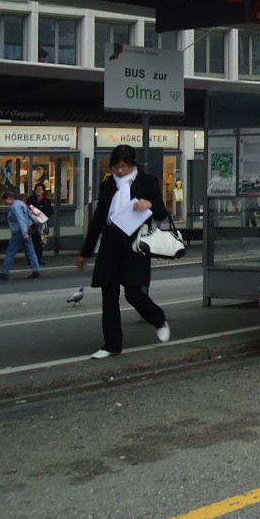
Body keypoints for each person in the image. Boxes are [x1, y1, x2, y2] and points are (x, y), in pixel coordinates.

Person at [76, 144, 171, 360]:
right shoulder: (108, 185)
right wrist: (85, 252)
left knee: (133, 292)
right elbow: (99, 218)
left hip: (135, 243)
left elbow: (162, 212)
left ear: (133, 164)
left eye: (124, 166)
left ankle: (158, 319)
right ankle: (112, 344)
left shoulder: (147, 182)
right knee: (108, 295)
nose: (120, 171)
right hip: (110, 243)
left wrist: (148, 203)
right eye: (116, 167)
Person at [0, 189, 41, 280]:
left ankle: (4, 272)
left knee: (10, 252)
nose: (5, 203)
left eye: (5, 200)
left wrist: (24, 233)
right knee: (30, 251)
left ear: (9, 198)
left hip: (19, 231)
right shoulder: (21, 203)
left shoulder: (15, 207)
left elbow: (20, 219)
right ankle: (36, 270)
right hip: (28, 228)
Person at [27, 182, 54, 264]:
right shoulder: (30, 200)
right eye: (37, 189)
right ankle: (31, 260)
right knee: (33, 242)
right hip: (33, 224)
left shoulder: (47, 201)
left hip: (43, 224)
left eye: (40, 189)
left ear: (43, 191)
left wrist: (42, 217)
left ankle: (38, 259)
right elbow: (27, 210)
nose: (38, 191)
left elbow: (50, 211)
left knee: (41, 243)